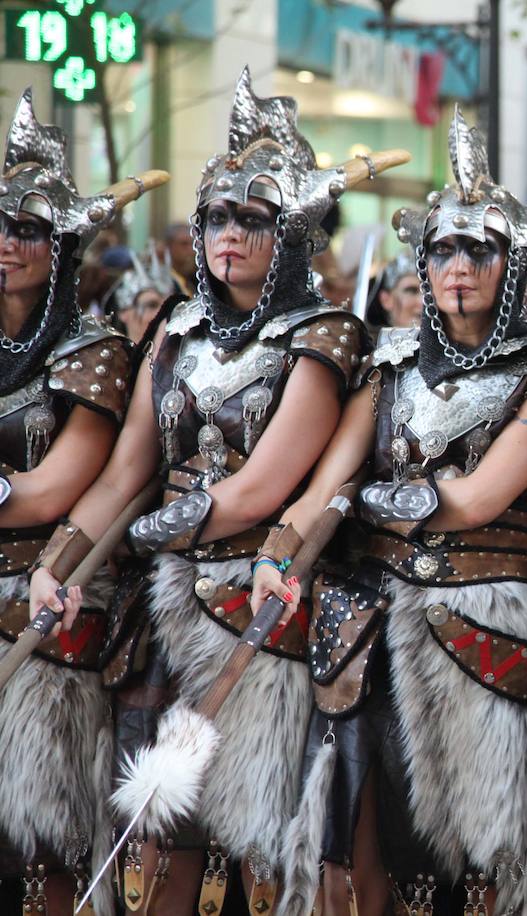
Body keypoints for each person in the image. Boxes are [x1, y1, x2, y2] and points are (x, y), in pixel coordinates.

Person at [28, 68, 405, 914]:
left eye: (252, 219)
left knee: (262, 854)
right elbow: (126, 473)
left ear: (293, 231)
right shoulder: (174, 325)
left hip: (268, 601)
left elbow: (260, 487)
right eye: (216, 217)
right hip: (161, 603)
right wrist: (63, 560)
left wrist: (158, 529)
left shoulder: (327, 333)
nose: (228, 233)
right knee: (158, 851)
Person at [252, 107, 527, 916]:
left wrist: (364, 503)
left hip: (492, 628)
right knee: (368, 860)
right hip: (375, 630)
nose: (457, 267)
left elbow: (482, 498)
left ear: (512, 260)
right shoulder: (389, 359)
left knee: (483, 875)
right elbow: (324, 485)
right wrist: (281, 548)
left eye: (478, 249)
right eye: (441, 248)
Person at [0, 89, 161, 916]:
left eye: (26, 229)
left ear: (60, 245)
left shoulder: (93, 349)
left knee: (46, 844)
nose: (4, 245)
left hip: (49, 598)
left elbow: (53, 491)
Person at [105, 244, 181, 345]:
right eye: (152, 305)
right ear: (124, 313)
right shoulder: (113, 360)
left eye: (172, 306)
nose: (167, 313)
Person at [362, 249, 422, 329]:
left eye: (429, 292)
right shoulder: (371, 341)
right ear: (386, 299)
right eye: (411, 291)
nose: (423, 302)